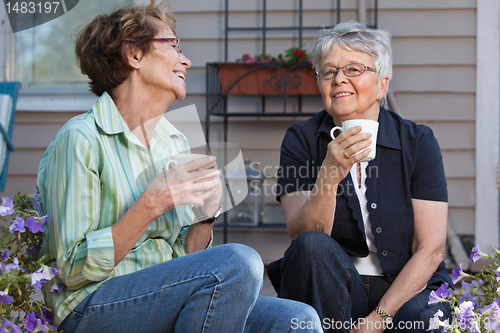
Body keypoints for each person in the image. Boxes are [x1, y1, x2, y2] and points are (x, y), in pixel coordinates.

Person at [37, 1, 323, 332]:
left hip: (164, 298)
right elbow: (71, 269)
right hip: (90, 305)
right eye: (173, 46)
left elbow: (186, 261)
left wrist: (205, 215)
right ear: (134, 54)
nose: (185, 60)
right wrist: (151, 203)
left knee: (298, 319)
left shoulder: (174, 140)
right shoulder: (81, 139)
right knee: (239, 261)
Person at [267, 21, 453, 333]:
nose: (339, 78)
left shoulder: (418, 142)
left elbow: (431, 247)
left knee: (422, 319)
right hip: (334, 287)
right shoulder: (301, 139)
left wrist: (376, 320)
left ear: (382, 83)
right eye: (328, 71)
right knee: (310, 246)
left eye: (353, 69)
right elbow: (303, 237)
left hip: (408, 290)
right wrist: (329, 173)